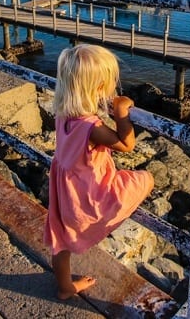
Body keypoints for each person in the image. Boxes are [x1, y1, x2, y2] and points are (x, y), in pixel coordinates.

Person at [43, 44, 154, 300]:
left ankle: (65, 287)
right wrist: (121, 112)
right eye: (108, 82)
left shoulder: (64, 112)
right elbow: (127, 145)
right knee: (145, 179)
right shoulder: (92, 127)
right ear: (96, 88)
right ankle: (111, 220)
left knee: (60, 240)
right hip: (90, 192)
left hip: (64, 188)